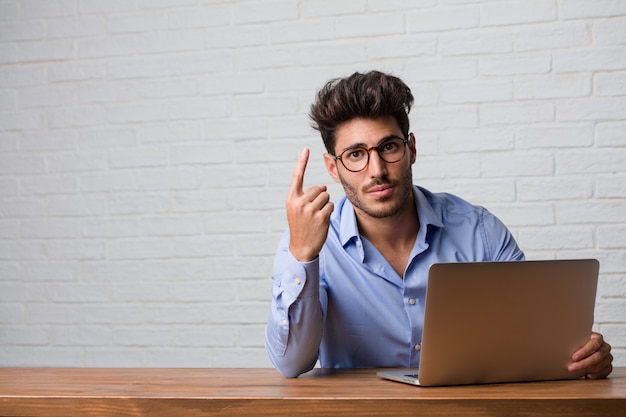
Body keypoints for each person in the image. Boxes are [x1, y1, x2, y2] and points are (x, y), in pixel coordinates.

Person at [264, 70, 613, 379]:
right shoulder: (307, 243)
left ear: (411, 148)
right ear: (332, 167)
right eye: (356, 154)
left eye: (388, 147)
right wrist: (303, 256)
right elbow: (292, 364)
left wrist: (583, 357)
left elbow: (534, 340)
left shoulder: (480, 233)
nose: (377, 170)